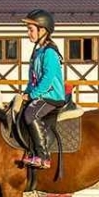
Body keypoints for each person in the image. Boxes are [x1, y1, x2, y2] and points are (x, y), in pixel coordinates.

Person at [20, 9, 65, 169]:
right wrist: (25, 92)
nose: (28, 33)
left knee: (30, 113)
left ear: (42, 30)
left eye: (31, 30)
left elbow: (47, 80)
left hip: (52, 97)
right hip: (40, 95)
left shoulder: (50, 53)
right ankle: (29, 150)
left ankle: (43, 156)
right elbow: (33, 79)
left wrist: (32, 95)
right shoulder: (37, 52)